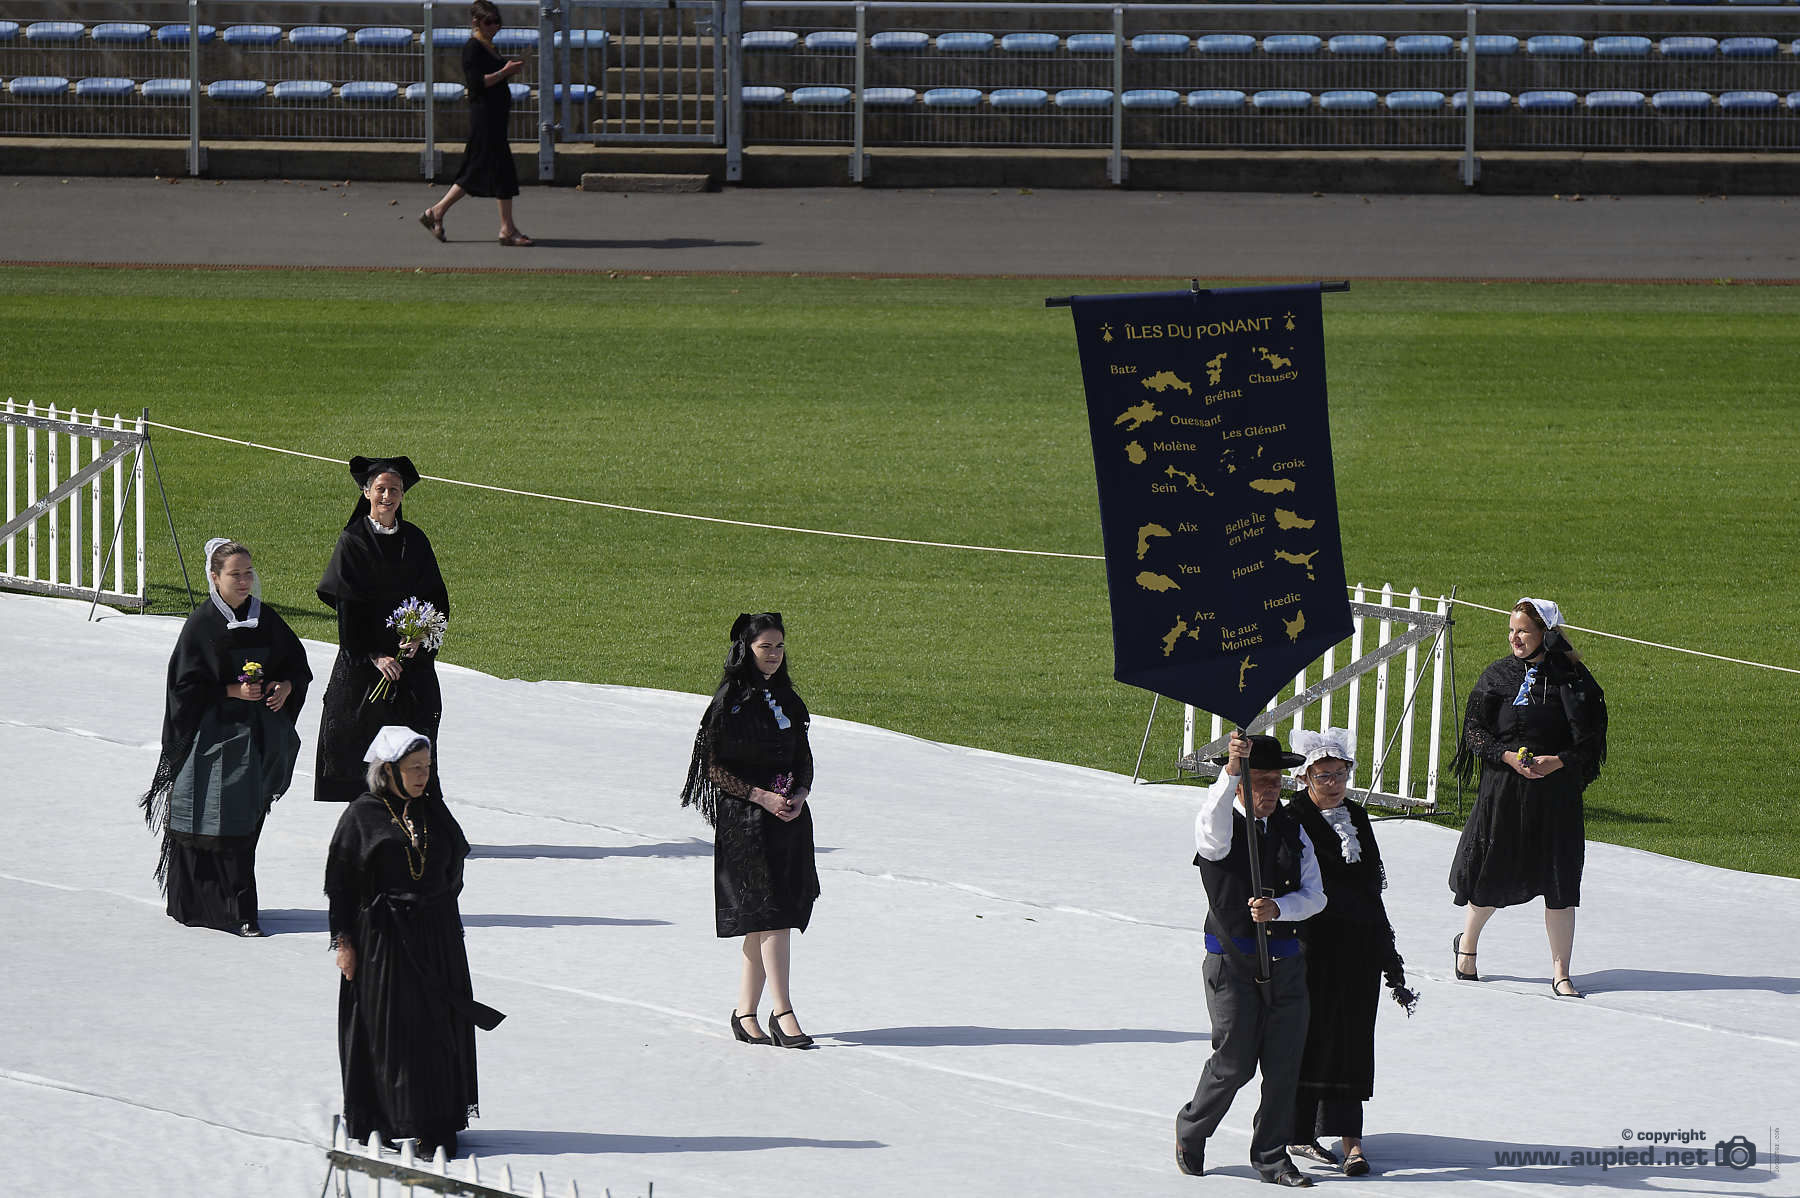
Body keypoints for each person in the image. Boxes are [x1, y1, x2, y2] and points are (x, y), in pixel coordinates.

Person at [327, 727, 502, 1158]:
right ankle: (387, 1119)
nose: (423, 775)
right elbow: (341, 885)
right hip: (384, 941)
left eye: (427, 767)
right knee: (391, 1030)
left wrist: (438, 906)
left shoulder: (433, 812)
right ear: (389, 771)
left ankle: (436, 1123)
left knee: (437, 1030)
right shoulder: (361, 816)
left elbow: (454, 861)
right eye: (414, 768)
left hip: (437, 936)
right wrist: (344, 943)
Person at [139, 538, 311, 937]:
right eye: (235, 574)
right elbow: (183, 689)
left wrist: (284, 685)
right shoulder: (202, 625)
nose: (245, 580)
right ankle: (205, 906)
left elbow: (296, 665)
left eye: (249, 572)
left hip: (255, 741)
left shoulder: (264, 619)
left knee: (244, 819)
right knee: (212, 816)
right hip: (210, 742)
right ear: (214, 578)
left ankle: (239, 908)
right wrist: (232, 692)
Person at [1176, 731, 1325, 1188]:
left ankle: (1273, 1157)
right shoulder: (1220, 826)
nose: (1269, 792)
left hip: (1286, 963)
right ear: (1240, 783)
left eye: (1275, 783)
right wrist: (1229, 771)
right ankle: (1193, 1131)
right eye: (1258, 781)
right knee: (1235, 1063)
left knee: (1284, 1067)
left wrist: (1282, 908)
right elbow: (1210, 832)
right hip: (1233, 963)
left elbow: (1314, 895)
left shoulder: (1292, 828)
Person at [1449, 597, 1608, 998]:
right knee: (1493, 873)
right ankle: (1466, 944)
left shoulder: (1571, 680)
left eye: (1522, 630)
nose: (1514, 637)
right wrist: (1505, 756)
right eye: (1511, 629)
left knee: (1559, 882)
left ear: (1544, 634)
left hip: (1555, 796)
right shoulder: (1498, 676)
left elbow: (1589, 741)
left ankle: (1561, 973)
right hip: (1504, 792)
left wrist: (1558, 762)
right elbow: (1474, 731)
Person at [679, 612, 820, 1050]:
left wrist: (799, 792)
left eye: (779, 647)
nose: (774, 655)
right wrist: (761, 797)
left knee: (764, 921)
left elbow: (803, 756)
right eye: (766, 648)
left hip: (788, 820)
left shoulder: (787, 699)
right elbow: (714, 768)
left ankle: (744, 1013)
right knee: (771, 913)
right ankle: (784, 1012)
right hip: (747, 822)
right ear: (747, 650)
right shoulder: (730, 701)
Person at [1283, 728, 1417, 1179]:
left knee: (1352, 1041)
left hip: (1357, 948)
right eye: (1324, 776)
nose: (1335, 783)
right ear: (1304, 778)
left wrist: (1386, 951)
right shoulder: (1293, 818)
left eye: (1341, 773)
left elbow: (1370, 887)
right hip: (1312, 946)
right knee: (1311, 1038)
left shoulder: (1356, 816)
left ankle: (1350, 1140)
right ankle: (1300, 1130)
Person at [314, 455, 451, 804]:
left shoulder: (416, 541)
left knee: (414, 736)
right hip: (366, 663)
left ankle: (415, 812)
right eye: (380, 489)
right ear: (366, 492)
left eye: (394, 489)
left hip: (411, 660)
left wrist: (421, 635)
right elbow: (347, 605)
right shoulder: (353, 540)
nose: (387, 496)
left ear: (403, 494)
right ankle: (370, 815)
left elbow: (436, 598)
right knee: (359, 738)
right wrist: (374, 655)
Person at [419, 0, 532, 247]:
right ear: (476, 22)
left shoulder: (489, 46)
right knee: (489, 169)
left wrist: (507, 70)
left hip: (495, 116)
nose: (494, 26)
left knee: (489, 169)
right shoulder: (473, 48)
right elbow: (477, 84)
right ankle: (505, 229)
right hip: (485, 117)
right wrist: (505, 72)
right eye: (489, 22)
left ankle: (438, 213)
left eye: (497, 22)